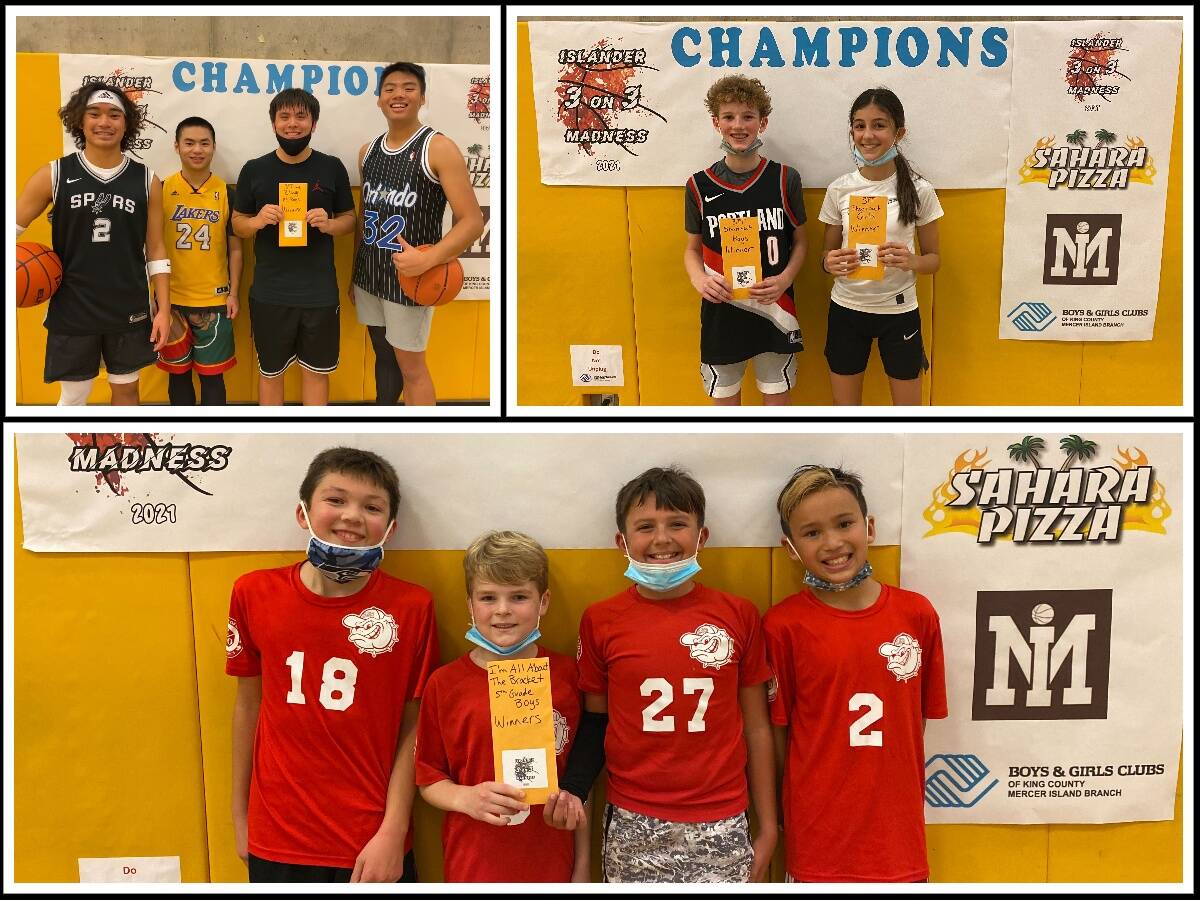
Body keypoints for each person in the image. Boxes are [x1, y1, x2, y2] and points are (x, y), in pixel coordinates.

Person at [545, 466, 777, 883]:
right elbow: (598, 721)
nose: (662, 539)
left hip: (722, 818)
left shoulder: (738, 615)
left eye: (677, 524)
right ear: (622, 541)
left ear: (701, 536)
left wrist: (770, 827)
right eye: (645, 526)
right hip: (634, 820)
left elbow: (757, 728)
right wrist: (574, 787)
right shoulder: (601, 620)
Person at [226, 447, 439, 882]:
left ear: (391, 528)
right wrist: (240, 819)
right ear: (303, 513)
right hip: (277, 836)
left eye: (372, 507)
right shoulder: (253, 593)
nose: (352, 516)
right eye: (335, 499)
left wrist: (393, 831)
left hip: (368, 842)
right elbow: (248, 707)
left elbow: (415, 726)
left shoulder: (413, 607)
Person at [765, 465, 947, 882]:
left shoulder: (916, 615)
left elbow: (913, 724)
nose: (832, 543)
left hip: (898, 847)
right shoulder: (782, 627)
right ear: (790, 548)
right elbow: (780, 738)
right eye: (811, 533)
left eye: (844, 524)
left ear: (869, 527)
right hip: (818, 846)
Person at [416, 530, 589, 882]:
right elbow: (428, 777)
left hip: (553, 864)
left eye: (519, 596)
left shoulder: (570, 676)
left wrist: (582, 868)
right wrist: (466, 798)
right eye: (488, 597)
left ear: (543, 602)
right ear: (470, 604)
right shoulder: (444, 683)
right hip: (473, 865)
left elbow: (582, 785)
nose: (503, 610)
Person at [15, 80, 171, 405]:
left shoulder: (146, 180)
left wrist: (164, 309)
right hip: (74, 306)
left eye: (114, 114)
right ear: (80, 120)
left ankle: (122, 455)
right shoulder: (54, 174)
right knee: (74, 394)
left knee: (127, 391)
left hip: (127, 306)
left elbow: (156, 249)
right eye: (95, 114)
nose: (104, 122)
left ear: (126, 123)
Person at [349, 62, 485, 406]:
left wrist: (428, 259)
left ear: (422, 97)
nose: (398, 94)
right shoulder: (369, 151)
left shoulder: (438, 147)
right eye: (390, 88)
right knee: (383, 353)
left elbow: (471, 221)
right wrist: (355, 272)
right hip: (371, 274)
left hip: (412, 279)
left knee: (412, 369)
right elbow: (367, 213)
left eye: (409, 88)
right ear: (379, 99)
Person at [683, 75, 807, 407]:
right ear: (716, 122)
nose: (739, 125)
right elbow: (692, 249)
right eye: (729, 117)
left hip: (775, 310)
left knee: (777, 411)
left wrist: (784, 279)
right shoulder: (698, 185)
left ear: (762, 123)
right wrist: (698, 279)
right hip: (722, 311)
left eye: (748, 116)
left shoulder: (785, 178)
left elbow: (801, 243)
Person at [818, 88, 943, 406]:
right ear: (852, 131)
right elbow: (825, 255)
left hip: (898, 312)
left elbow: (934, 260)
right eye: (859, 126)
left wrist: (911, 260)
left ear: (898, 132)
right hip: (846, 310)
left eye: (879, 125)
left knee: (908, 416)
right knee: (846, 414)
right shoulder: (839, 189)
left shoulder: (920, 190)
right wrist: (829, 262)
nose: (868, 135)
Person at [232, 88, 355, 406]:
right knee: (270, 374)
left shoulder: (331, 167)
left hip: (319, 294)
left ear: (313, 123)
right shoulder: (254, 169)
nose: (292, 123)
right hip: (270, 294)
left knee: (316, 374)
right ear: (273, 123)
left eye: (301, 116)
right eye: (284, 116)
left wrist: (329, 224)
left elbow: (350, 220)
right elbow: (237, 225)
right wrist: (257, 220)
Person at [157, 116, 241, 405]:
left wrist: (233, 293)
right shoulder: (161, 189)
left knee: (212, 377)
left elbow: (236, 249)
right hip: (171, 300)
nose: (197, 149)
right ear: (176, 146)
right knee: (177, 376)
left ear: (214, 147)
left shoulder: (226, 193)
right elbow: (150, 247)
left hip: (214, 300)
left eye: (204, 143)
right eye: (189, 143)